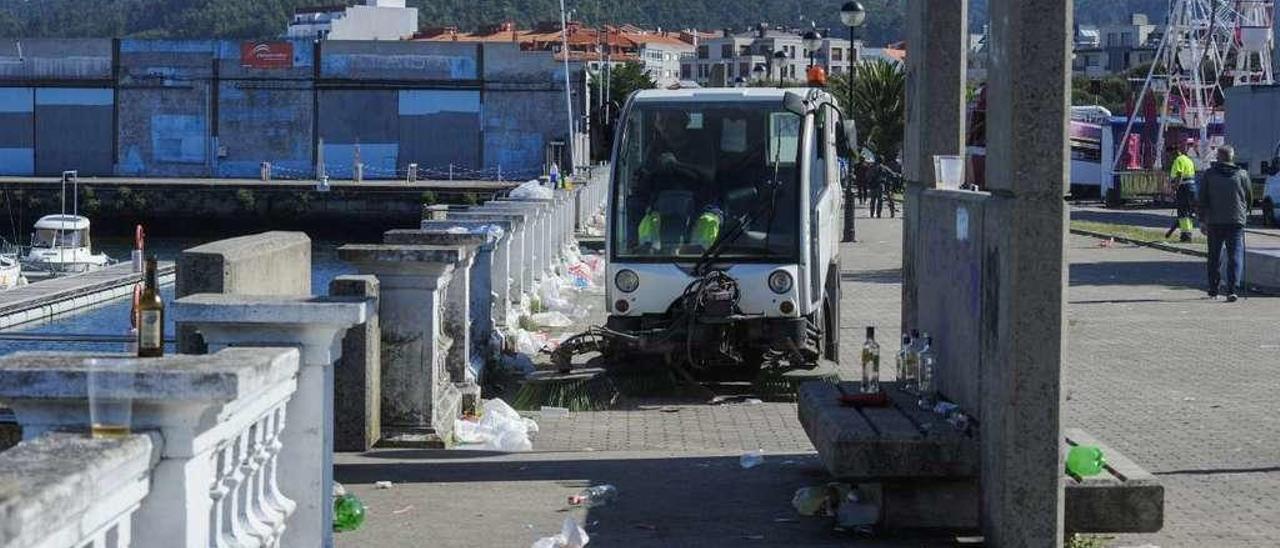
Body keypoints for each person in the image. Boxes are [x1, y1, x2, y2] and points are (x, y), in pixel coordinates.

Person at [1198, 145, 1253, 302]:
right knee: (1235, 255)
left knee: (1214, 256)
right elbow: (1249, 198)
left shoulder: (1210, 175)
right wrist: (1244, 213)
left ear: (1219, 157)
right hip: (1236, 221)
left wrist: (1202, 220)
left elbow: (1203, 199)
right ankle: (1232, 289)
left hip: (1214, 221)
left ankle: (1213, 289)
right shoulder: (1242, 174)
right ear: (1232, 157)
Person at [1165, 141, 1198, 242]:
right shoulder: (1188, 159)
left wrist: (1174, 189)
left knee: (1183, 212)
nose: (1169, 157)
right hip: (1192, 187)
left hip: (1183, 188)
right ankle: (1188, 232)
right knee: (1188, 211)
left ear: (1173, 153)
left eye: (1169, 155)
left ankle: (1186, 235)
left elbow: (1179, 175)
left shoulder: (1178, 160)